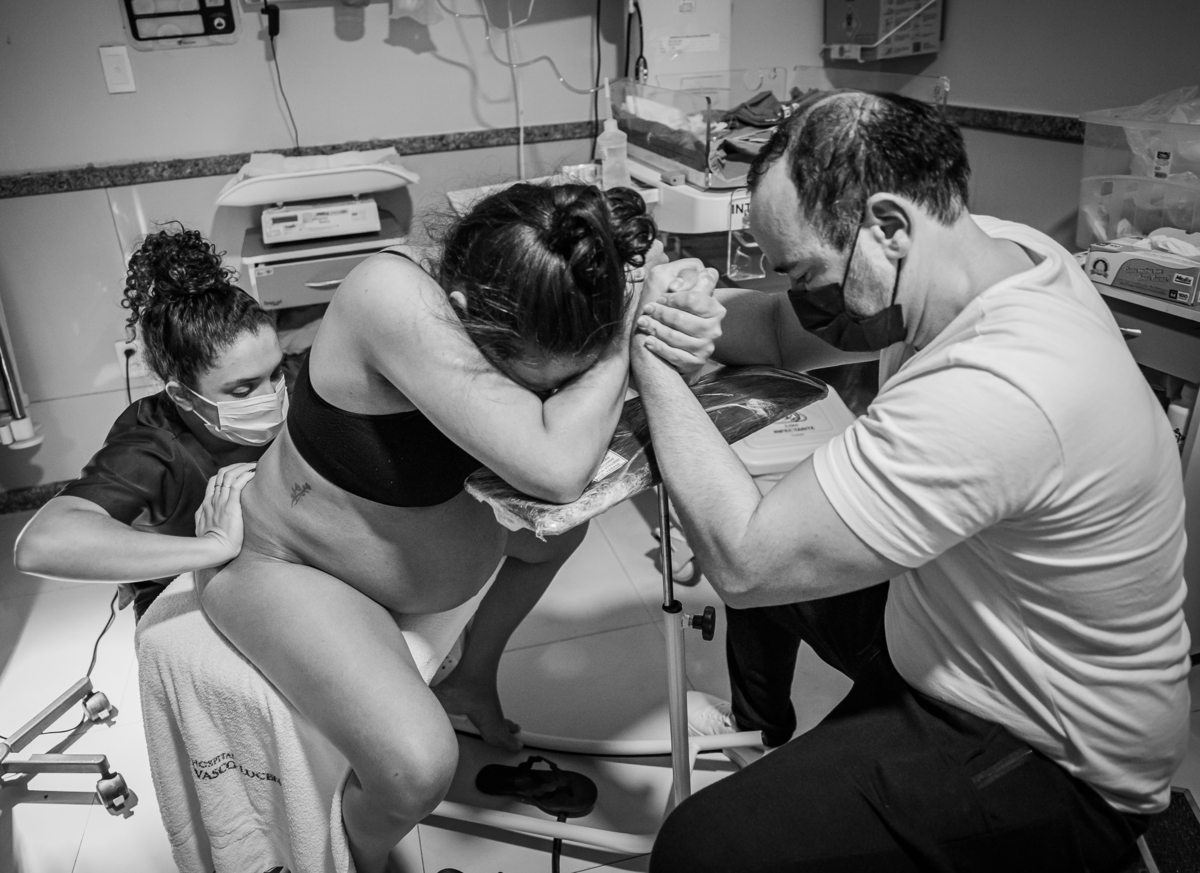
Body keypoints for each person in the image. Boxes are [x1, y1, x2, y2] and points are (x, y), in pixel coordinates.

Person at [631, 90, 1190, 872]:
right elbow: (782, 334)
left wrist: (653, 360)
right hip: (964, 621)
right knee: (777, 534)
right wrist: (695, 312)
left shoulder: (997, 384)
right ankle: (762, 732)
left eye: (806, 273)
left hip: (1054, 751)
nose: (802, 295)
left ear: (888, 227)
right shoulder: (990, 251)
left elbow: (744, 559)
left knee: (701, 849)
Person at [197, 182, 721, 873]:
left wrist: (672, 309)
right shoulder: (388, 295)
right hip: (287, 562)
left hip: (388, 559)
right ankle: (357, 862)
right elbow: (556, 470)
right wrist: (625, 336)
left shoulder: (539, 279)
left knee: (559, 534)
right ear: (466, 314)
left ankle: (471, 676)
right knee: (417, 769)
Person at [15, 225, 285, 619]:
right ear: (182, 395)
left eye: (275, 373)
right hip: (185, 584)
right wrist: (214, 547)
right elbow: (42, 544)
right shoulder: (153, 445)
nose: (272, 397)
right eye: (243, 391)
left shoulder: (293, 386)